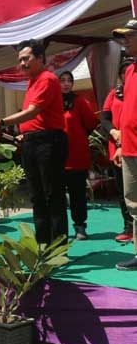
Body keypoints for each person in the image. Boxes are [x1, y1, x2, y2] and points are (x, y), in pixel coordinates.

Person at [0, 39, 68, 245]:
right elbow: (34, 117)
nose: (22, 64)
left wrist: (1, 122)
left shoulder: (46, 79)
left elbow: (32, 112)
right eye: (20, 60)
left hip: (49, 143)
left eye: (26, 58)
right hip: (33, 142)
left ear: (40, 58)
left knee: (51, 195)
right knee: (37, 197)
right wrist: (25, 134)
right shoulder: (32, 82)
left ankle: (57, 247)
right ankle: (42, 244)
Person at [59, 71, 98, 241]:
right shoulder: (50, 102)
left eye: (69, 81)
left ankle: (80, 226)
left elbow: (91, 123)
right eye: (62, 80)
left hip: (76, 156)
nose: (66, 84)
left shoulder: (81, 101)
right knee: (56, 196)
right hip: (55, 157)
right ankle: (60, 231)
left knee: (78, 194)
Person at [111, 19, 137, 270]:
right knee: (134, 203)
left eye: (129, 36)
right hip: (129, 148)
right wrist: (120, 144)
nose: (125, 41)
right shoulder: (129, 72)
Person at [102, 60, 134, 242]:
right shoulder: (114, 94)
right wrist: (114, 131)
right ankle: (128, 227)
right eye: (122, 72)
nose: (125, 75)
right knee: (124, 190)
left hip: (132, 146)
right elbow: (105, 118)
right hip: (117, 148)